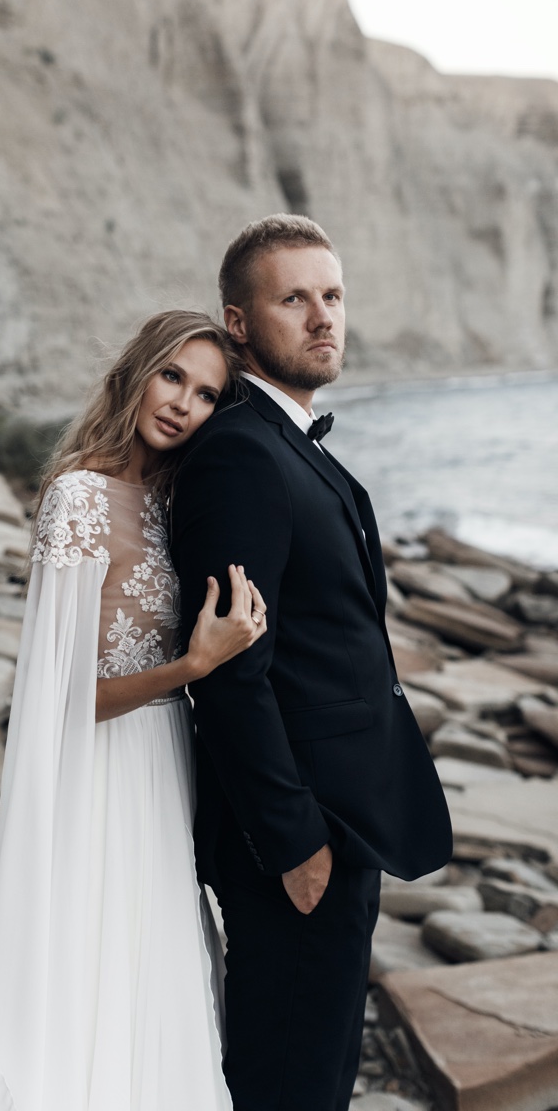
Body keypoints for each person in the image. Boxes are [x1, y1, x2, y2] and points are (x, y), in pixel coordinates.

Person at [170, 214, 453, 1111]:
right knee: (288, 1079)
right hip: (298, 832)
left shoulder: (285, 441)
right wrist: (293, 844)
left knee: (323, 1067)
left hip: (343, 815)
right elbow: (228, 669)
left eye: (331, 295)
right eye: (293, 299)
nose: (322, 316)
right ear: (240, 323)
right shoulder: (242, 457)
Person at [0, 309, 268, 1111]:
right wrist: (195, 663)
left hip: (166, 761)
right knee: (92, 958)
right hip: (100, 765)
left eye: (205, 395)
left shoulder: (168, 503)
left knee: (153, 961)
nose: (182, 405)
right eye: (172, 377)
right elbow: (59, 700)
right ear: (136, 370)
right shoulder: (78, 499)